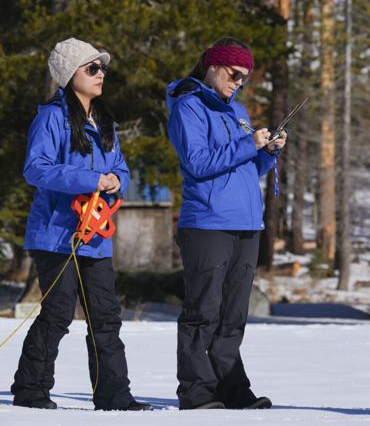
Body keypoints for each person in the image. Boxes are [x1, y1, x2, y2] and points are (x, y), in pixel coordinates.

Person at [11, 38, 152, 411]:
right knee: (58, 313)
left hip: (95, 236)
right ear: (69, 74)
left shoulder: (104, 121)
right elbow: (35, 169)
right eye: (92, 68)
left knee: (106, 316)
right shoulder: (51, 117)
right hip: (57, 234)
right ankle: (30, 389)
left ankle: (113, 394)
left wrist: (116, 179)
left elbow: (118, 166)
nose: (100, 73)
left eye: (102, 67)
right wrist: (91, 180)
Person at [166, 37, 286, 410]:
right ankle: (197, 390)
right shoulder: (189, 107)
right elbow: (198, 162)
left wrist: (266, 153)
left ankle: (232, 388)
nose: (239, 83)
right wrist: (248, 145)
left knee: (233, 314)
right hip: (208, 223)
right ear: (214, 66)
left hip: (246, 224)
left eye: (245, 78)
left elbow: (245, 168)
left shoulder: (237, 111)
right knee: (204, 310)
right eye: (235, 74)